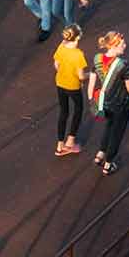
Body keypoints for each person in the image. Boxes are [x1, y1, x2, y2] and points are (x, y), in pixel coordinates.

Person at [87, 30, 129, 175]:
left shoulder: (97, 59)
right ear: (114, 46)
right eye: (122, 44)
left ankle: (100, 154)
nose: (125, 45)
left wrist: (91, 98)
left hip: (105, 103)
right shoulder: (122, 65)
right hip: (121, 104)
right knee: (117, 133)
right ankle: (108, 164)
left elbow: (92, 79)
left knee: (109, 126)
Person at [53, 24, 89, 157]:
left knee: (64, 111)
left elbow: (56, 64)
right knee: (78, 110)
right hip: (73, 86)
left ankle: (60, 144)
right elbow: (80, 76)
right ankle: (70, 142)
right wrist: (90, 75)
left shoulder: (61, 47)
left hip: (60, 83)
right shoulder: (78, 54)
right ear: (78, 37)